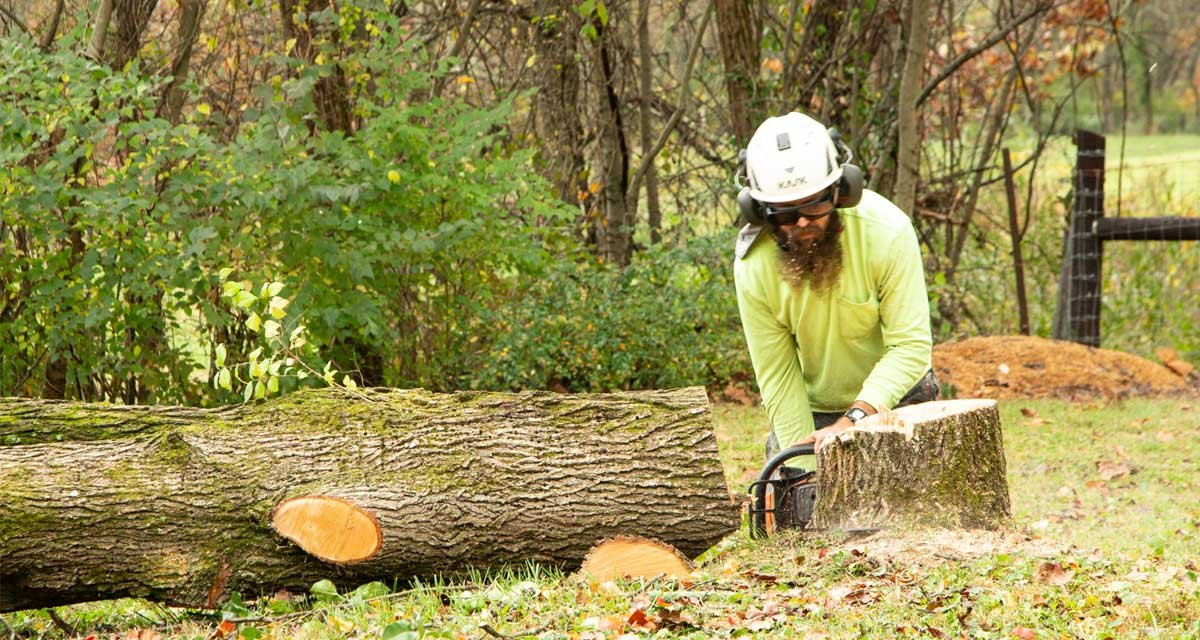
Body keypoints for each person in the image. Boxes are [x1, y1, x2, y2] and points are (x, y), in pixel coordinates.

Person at [732, 112, 939, 458]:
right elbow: (778, 377)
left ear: (841, 192)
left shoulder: (888, 233)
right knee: (791, 485)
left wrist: (854, 419)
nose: (801, 223)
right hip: (815, 410)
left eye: (814, 205)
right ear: (758, 210)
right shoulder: (753, 266)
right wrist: (799, 463)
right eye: (784, 213)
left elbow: (910, 346)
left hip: (899, 396)